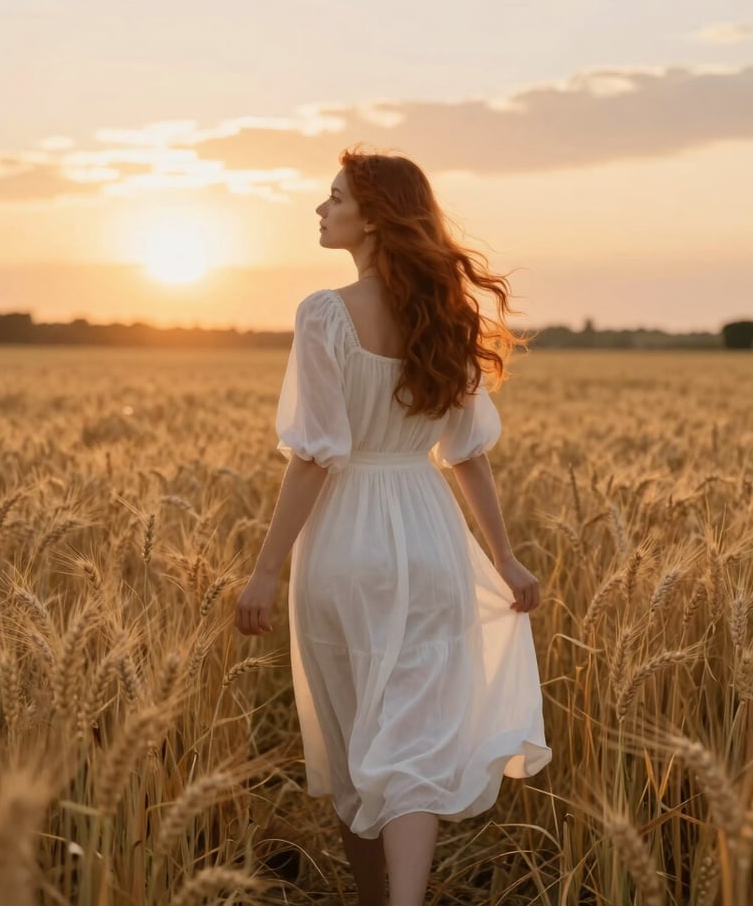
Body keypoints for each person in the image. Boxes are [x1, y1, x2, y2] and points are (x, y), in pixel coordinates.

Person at [235, 149, 552, 906]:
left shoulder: (323, 313)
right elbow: (467, 455)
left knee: (353, 740)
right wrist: (502, 558)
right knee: (408, 740)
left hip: (345, 539)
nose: (321, 208)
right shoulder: (448, 316)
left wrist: (266, 568)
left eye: (335, 196)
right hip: (431, 532)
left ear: (372, 217)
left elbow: (314, 457)